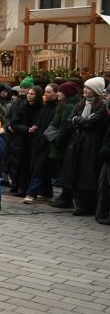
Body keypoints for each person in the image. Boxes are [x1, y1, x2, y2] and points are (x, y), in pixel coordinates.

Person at [56, 77, 107, 216]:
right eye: (84, 87)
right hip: (77, 142)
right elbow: (70, 120)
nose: (85, 90)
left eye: (88, 88)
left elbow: (92, 122)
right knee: (76, 172)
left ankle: (90, 204)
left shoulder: (102, 105)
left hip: (92, 144)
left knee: (88, 174)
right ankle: (80, 204)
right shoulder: (80, 104)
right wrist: (81, 120)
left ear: (95, 91)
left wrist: (79, 120)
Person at [23, 83, 59, 203]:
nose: (46, 94)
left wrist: (44, 137)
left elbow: (53, 126)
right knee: (43, 168)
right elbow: (40, 121)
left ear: (56, 93)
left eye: (48, 92)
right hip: (39, 139)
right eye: (45, 92)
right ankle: (46, 193)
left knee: (39, 168)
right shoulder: (46, 106)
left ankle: (31, 193)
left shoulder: (57, 107)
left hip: (48, 141)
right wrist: (35, 126)